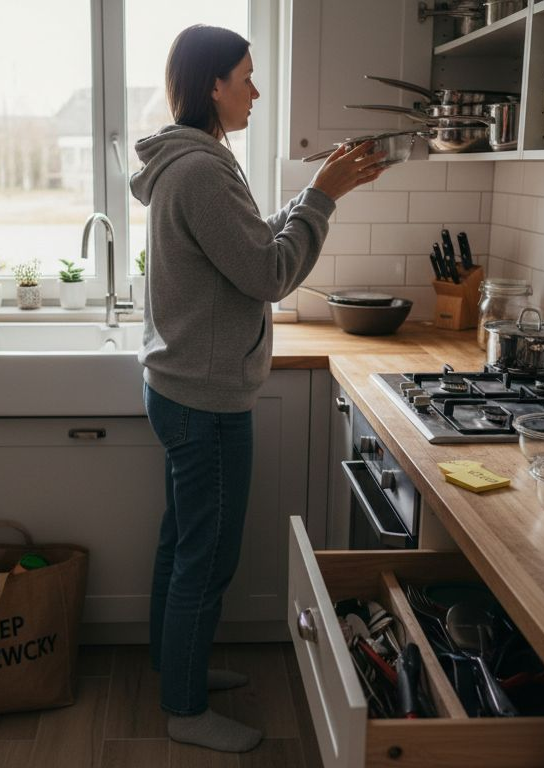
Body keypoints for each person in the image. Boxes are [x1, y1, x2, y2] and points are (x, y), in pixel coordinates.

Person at [129, 23, 387, 753]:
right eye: (246, 77)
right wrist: (321, 198)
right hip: (204, 398)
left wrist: (314, 195)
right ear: (213, 84)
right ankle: (184, 710)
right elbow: (270, 273)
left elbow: (247, 246)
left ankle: (175, 669)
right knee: (207, 556)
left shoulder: (194, 161)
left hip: (183, 386)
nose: (256, 91)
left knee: (184, 542)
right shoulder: (201, 171)